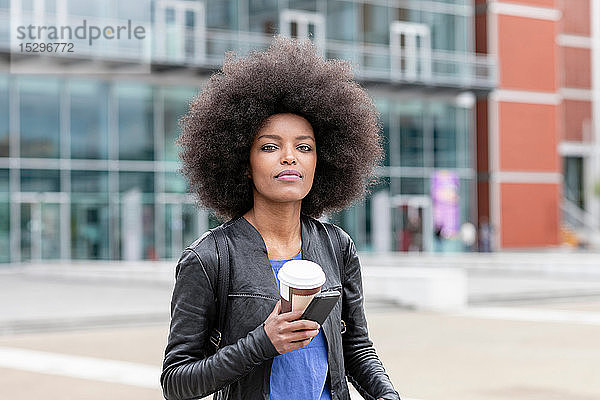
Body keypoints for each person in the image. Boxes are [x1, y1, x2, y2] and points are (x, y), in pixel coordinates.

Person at [160, 35, 400, 400]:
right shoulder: (210, 259)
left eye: (304, 147)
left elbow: (356, 348)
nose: (290, 157)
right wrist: (262, 342)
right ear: (243, 163)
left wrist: (386, 394)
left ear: (322, 161)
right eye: (270, 146)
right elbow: (177, 382)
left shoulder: (337, 247)